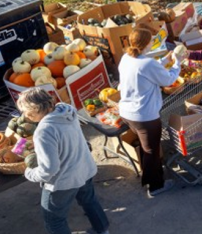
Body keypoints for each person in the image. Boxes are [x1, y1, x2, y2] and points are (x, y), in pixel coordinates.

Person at [18, 88, 109, 234]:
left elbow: (49, 169)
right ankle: (102, 230)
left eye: (25, 111)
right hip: (84, 168)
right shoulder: (67, 111)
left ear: (34, 110)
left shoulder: (44, 131)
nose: (24, 115)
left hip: (63, 182)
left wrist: (29, 172)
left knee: (54, 220)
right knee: (89, 201)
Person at [117, 26, 183, 198]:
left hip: (127, 112)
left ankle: (148, 176)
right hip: (144, 116)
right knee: (151, 150)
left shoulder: (126, 58)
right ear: (146, 44)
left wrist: (164, 61)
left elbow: (147, 71)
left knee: (147, 147)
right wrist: (178, 63)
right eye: (151, 40)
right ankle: (155, 186)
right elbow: (168, 79)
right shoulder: (147, 63)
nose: (153, 42)